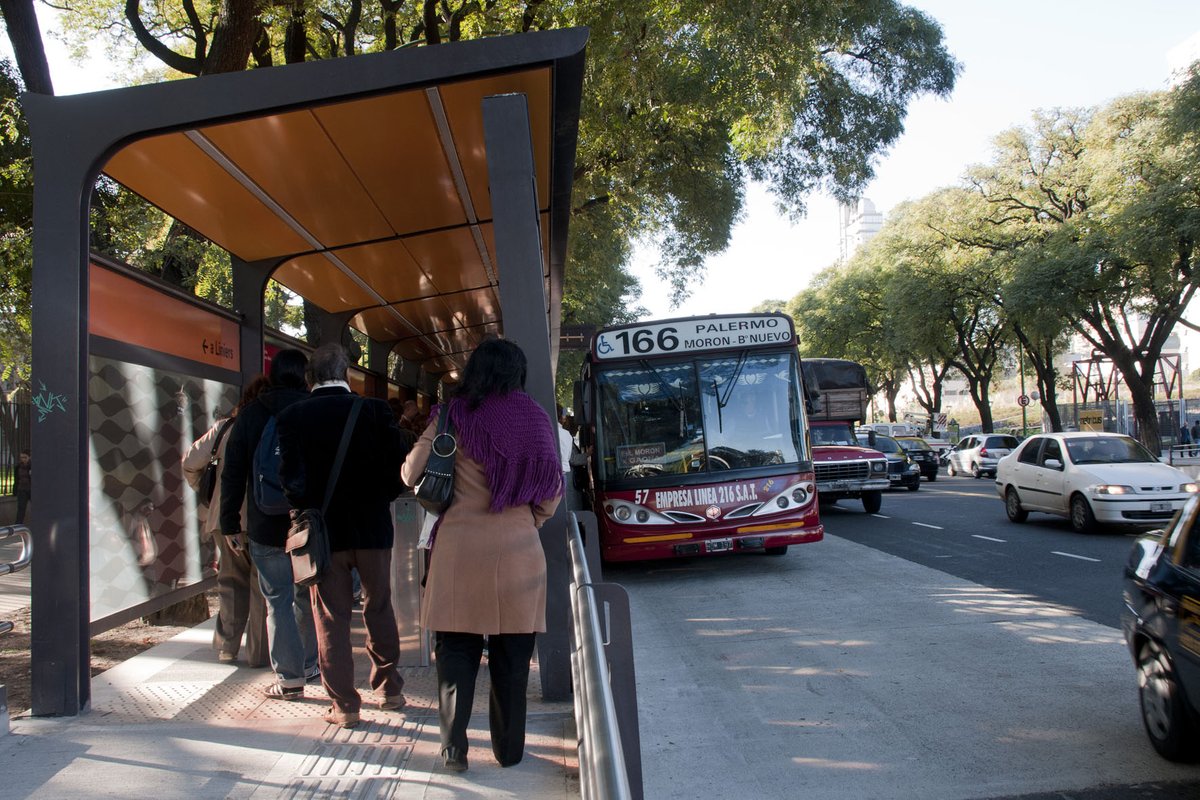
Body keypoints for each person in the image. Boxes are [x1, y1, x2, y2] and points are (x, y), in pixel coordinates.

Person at [401, 338, 563, 773]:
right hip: (519, 554)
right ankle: (508, 752)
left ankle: (454, 751)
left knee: (455, 656)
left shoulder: (452, 415)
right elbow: (550, 494)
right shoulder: (535, 418)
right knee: (512, 663)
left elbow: (411, 473)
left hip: (457, 554)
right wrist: (525, 523)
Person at [276, 343, 410, 729]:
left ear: (309, 377)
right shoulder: (375, 411)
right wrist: (375, 499)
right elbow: (396, 469)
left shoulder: (292, 417)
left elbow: (291, 482)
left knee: (330, 616)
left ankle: (345, 705)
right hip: (372, 529)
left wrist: (309, 507)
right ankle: (389, 688)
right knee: (379, 604)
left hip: (323, 535)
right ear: (347, 371)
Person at [220, 349, 319, 700]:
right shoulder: (313, 410)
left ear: (273, 375)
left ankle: (290, 679)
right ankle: (310, 664)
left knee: (276, 600)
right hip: (306, 523)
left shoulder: (251, 415)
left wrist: (230, 522)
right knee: (306, 594)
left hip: (263, 523)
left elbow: (232, 471)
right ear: (304, 376)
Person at [183, 377, 269, 666]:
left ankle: (227, 647)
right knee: (261, 586)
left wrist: (207, 492)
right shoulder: (271, 426)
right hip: (262, 517)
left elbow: (191, 461)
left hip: (224, 517)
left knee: (231, 582)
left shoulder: (224, 428)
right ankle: (259, 653)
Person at [13, 449, 30, 524]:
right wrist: (15, 490)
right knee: (21, 509)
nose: (23, 459)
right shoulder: (18, 467)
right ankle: (18, 526)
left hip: (32, 489)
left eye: (25, 457)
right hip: (22, 489)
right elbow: (16, 479)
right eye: (21, 457)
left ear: (29, 457)